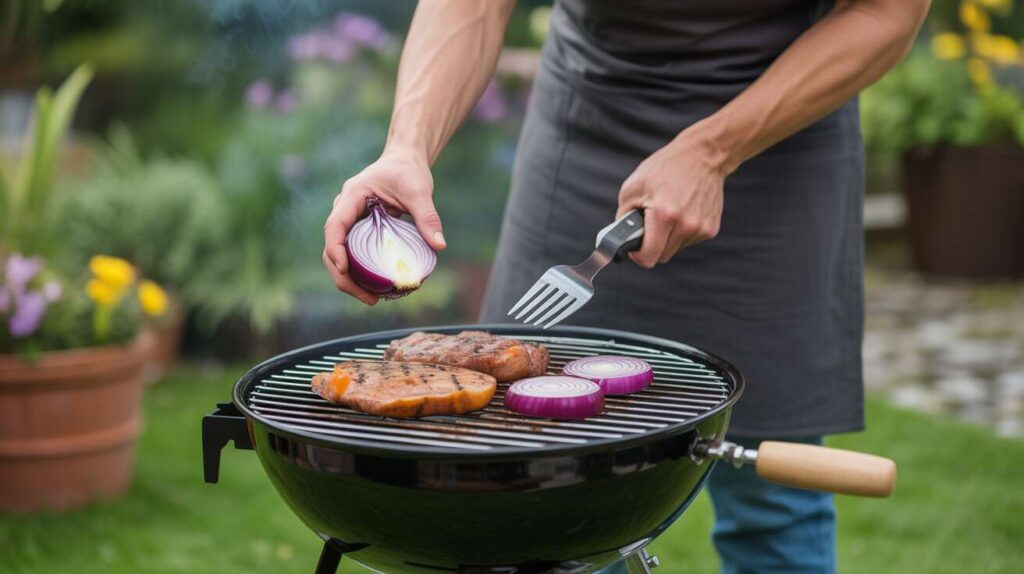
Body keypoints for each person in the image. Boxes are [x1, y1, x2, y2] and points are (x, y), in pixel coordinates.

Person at [323, 1, 930, 572]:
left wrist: (714, 151)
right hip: (592, 116)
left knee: (773, 508)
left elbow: (884, 12)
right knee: (533, 487)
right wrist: (407, 147)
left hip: (780, 130)